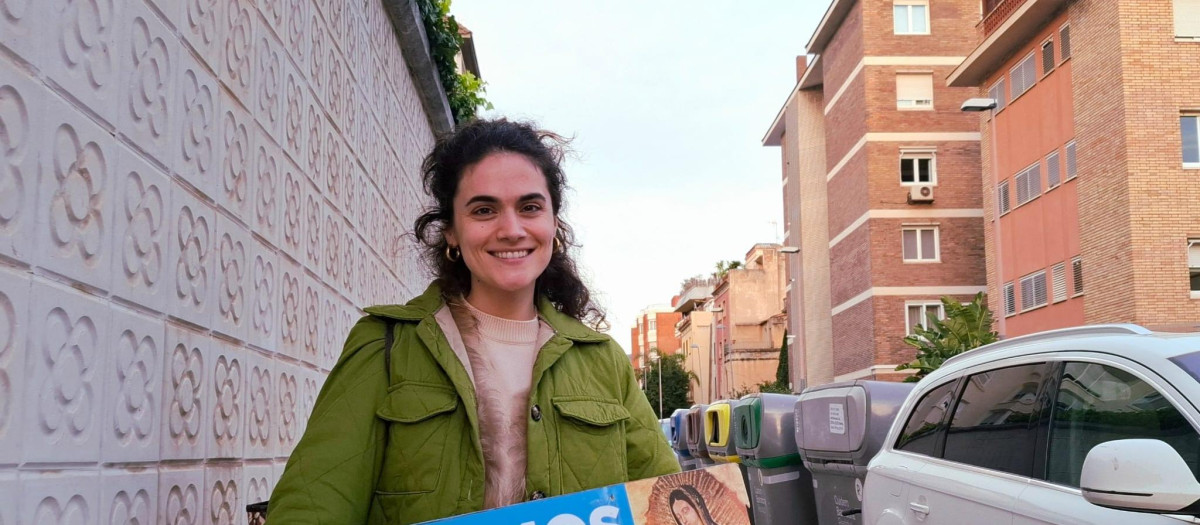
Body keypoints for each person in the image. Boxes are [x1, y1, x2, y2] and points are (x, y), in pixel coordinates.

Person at [267, 118, 680, 524]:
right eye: (484, 210)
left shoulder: (603, 360)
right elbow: (311, 507)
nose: (511, 229)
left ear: (554, 223)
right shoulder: (386, 346)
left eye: (530, 207)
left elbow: (669, 504)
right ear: (451, 231)